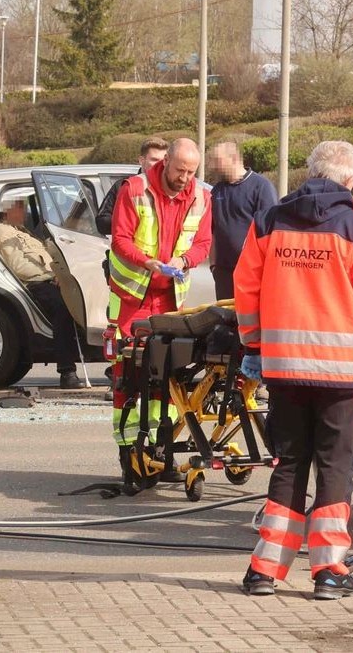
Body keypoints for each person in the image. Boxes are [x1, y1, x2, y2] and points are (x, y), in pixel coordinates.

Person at [234, 140, 353, 600]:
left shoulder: (268, 222)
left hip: (283, 371)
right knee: (335, 469)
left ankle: (264, 570)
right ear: (349, 181)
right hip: (341, 378)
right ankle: (329, 571)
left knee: (288, 465)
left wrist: (253, 346)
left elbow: (246, 291)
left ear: (309, 172)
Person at [108, 137, 213, 487]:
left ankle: (161, 453)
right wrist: (149, 262)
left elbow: (203, 243)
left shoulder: (201, 196)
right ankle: (130, 458)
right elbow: (120, 239)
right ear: (165, 162)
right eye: (180, 170)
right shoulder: (134, 189)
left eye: (192, 172)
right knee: (128, 380)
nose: (185, 178)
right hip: (131, 301)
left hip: (170, 304)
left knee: (167, 383)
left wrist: (184, 261)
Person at [0, 199, 85, 389]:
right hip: (37, 283)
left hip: (52, 278)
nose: (23, 211)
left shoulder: (21, 230)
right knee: (63, 308)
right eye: (18, 207)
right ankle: (67, 371)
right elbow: (19, 266)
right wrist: (52, 276)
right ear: (5, 211)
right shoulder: (2, 232)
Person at [206, 142, 279, 300]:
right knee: (226, 320)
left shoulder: (261, 187)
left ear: (234, 159)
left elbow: (271, 231)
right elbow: (213, 230)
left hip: (252, 272)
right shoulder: (217, 190)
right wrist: (214, 265)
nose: (213, 166)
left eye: (217, 161)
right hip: (224, 273)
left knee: (249, 321)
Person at [95, 137, 169, 235]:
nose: (160, 164)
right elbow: (102, 223)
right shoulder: (123, 186)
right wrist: (130, 222)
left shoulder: (172, 189)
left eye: (163, 160)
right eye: (154, 160)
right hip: (128, 248)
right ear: (141, 160)